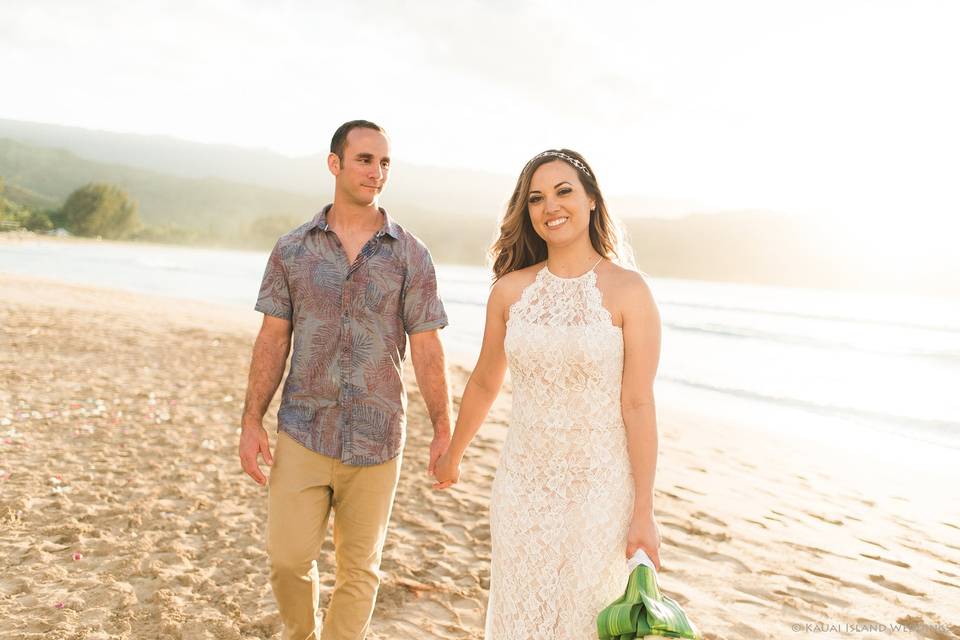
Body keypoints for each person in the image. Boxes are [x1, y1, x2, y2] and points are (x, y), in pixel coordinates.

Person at [433, 149, 663, 638]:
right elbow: (485, 379)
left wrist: (644, 509)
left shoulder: (629, 291)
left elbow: (638, 403)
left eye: (564, 192)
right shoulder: (510, 292)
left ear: (592, 201)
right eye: (536, 198)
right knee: (521, 615)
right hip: (523, 485)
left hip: (601, 486)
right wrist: (455, 451)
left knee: (583, 616)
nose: (549, 206)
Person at [238, 120, 452, 640]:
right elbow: (272, 339)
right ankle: (301, 633)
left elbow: (426, 344)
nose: (376, 172)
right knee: (288, 561)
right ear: (334, 163)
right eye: (364, 160)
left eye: (384, 163)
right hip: (304, 429)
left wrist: (444, 426)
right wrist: (251, 421)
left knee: (360, 571)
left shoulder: (411, 254)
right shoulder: (292, 250)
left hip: (379, 440)